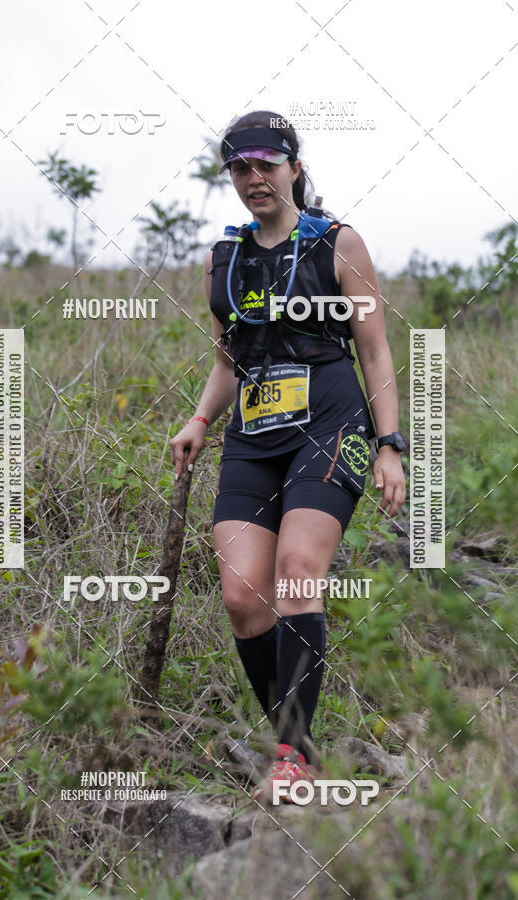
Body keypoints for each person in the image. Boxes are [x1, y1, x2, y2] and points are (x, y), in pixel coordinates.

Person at [170, 110, 406, 804]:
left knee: (299, 572)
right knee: (244, 598)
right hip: (252, 434)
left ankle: (292, 758)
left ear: (293, 167)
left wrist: (390, 444)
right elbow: (226, 361)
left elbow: (375, 351)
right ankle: (294, 745)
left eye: (265, 165)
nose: (253, 179)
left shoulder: (338, 243)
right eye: (239, 169)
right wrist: (200, 417)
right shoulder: (225, 258)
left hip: (330, 424)